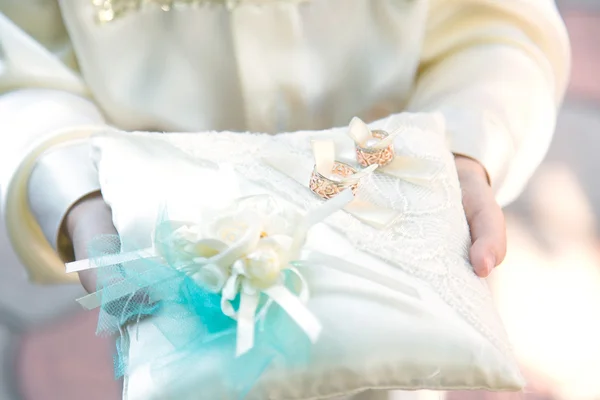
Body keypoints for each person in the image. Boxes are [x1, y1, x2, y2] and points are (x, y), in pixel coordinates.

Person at [0, 0, 570, 399]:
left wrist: (466, 147)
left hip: (389, 248)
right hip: (174, 269)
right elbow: (18, 57)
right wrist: (78, 193)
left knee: (388, 377)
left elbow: (494, 24)